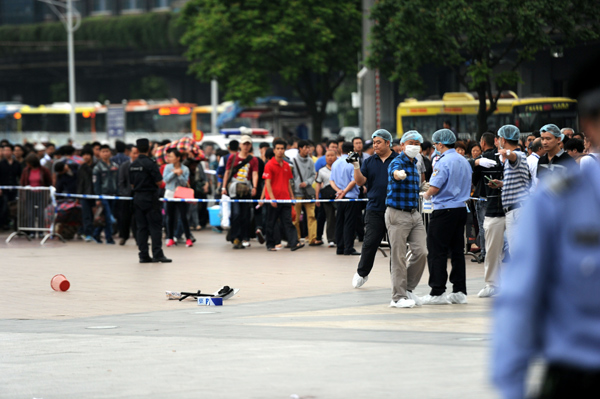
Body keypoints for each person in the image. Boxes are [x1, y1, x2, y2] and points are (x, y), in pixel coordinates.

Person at [493, 63, 600, 399]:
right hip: (580, 376)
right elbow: (521, 298)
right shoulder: (558, 202)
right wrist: (512, 388)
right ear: (588, 126)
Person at [421, 129, 472, 305]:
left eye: (436, 144)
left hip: (443, 210)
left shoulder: (443, 162)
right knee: (457, 251)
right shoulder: (463, 160)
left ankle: (437, 291)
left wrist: (426, 195)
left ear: (441, 144)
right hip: (460, 209)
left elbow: (434, 187)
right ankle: (459, 290)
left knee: (437, 251)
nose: (435, 147)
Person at [385, 131, 428, 308]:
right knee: (399, 257)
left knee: (422, 252)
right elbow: (394, 172)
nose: (414, 146)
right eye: (411, 142)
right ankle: (397, 297)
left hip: (414, 213)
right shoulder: (397, 161)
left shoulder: (416, 162)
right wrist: (397, 175)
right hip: (397, 213)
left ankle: (408, 289)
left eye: (417, 143)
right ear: (402, 145)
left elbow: (418, 186)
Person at [350, 129, 398, 287]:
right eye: (374, 143)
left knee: (396, 246)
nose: (375, 145)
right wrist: (356, 166)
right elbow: (360, 182)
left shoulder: (398, 160)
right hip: (374, 208)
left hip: (395, 209)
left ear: (387, 143)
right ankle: (362, 273)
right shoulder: (370, 161)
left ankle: (397, 278)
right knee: (370, 242)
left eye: (378, 142)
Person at [489, 125, 531, 257]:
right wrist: (501, 183)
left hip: (517, 210)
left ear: (503, 139)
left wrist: (506, 153)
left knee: (517, 252)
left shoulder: (517, 155)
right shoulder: (518, 156)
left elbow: (513, 156)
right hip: (516, 209)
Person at [129, 138, 171, 263]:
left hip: (137, 198)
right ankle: (157, 254)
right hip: (150, 199)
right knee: (155, 227)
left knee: (141, 227)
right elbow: (159, 182)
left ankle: (143, 255)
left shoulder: (133, 165)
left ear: (137, 149)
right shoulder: (151, 164)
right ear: (148, 148)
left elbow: (131, 184)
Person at [262, 138, 304, 251]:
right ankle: (270, 244)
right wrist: (272, 199)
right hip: (273, 200)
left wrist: (292, 197)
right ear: (274, 150)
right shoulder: (269, 165)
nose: (280, 151)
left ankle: (294, 243)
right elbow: (268, 183)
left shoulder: (286, 165)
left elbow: (288, 183)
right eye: (278, 149)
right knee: (271, 222)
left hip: (285, 199)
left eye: (282, 149)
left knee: (288, 222)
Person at [222, 135, 259, 249]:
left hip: (246, 189)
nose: (246, 146)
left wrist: (255, 187)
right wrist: (224, 187)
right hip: (234, 189)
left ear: (250, 145)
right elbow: (227, 172)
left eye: (248, 144)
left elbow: (254, 173)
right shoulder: (232, 158)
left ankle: (244, 237)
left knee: (245, 215)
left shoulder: (253, 159)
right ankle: (235, 237)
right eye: (244, 144)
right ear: (240, 145)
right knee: (236, 213)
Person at [468, 132, 497, 264]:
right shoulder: (499, 157)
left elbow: (474, 179)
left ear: (483, 143)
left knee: (483, 226)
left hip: (483, 197)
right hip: (498, 196)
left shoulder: (481, 160)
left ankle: (485, 254)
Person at [330, 142, 361, 256]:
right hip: (350, 197)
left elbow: (331, 180)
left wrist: (339, 191)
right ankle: (348, 247)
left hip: (339, 198)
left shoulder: (335, 163)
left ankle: (340, 248)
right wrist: (345, 192)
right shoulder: (353, 163)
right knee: (349, 223)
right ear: (351, 150)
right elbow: (354, 180)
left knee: (340, 222)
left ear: (341, 150)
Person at [162, 148, 194, 248]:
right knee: (170, 217)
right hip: (170, 194)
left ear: (178, 158)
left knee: (183, 217)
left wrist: (180, 175)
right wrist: (174, 172)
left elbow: (185, 183)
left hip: (181, 194)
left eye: (171, 156)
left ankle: (188, 238)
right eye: (168, 156)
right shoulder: (167, 167)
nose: (169, 158)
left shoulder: (185, 169)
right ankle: (170, 238)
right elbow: (165, 180)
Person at [291, 140, 318, 245]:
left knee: (311, 216)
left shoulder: (311, 161)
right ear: (300, 148)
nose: (308, 150)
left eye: (309, 148)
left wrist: (306, 182)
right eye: (306, 148)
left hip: (308, 192)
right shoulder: (293, 161)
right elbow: (291, 177)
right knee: (295, 218)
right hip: (297, 193)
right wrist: (296, 185)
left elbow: (313, 175)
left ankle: (312, 239)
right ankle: (296, 238)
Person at [92, 145, 119, 244]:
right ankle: (109, 238)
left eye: (107, 151)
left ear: (110, 153)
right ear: (100, 153)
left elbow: (118, 181)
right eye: (103, 151)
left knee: (105, 216)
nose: (105, 153)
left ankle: (96, 234)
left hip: (113, 194)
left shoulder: (115, 166)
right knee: (108, 217)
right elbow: (96, 184)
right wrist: (98, 197)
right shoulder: (97, 168)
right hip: (103, 195)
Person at [315, 149, 337, 247]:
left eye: (332, 155)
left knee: (340, 217)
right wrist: (317, 198)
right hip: (327, 197)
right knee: (330, 218)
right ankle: (331, 239)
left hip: (339, 196)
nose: (330, 158)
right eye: (328, 156)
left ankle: (340, 237)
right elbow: (318, 185)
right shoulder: (321, 171)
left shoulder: (338, 168)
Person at [117, 146, 138, 246]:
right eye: (133, 153)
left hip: (138, 196)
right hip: (126, 196)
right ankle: (123, 236)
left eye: (137, 153)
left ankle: (138, 238)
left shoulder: (141, 166)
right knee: (125, 217)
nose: (135, 155)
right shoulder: (124, 166)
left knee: (137, 218)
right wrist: (125, 193)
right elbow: (121, 182)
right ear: (130, 153)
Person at [0, 144, 22, 230]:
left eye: (8, 150)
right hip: (3, 190)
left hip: (14, 189)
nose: (6, 152)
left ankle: (14, 224)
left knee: (14, 207)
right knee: (4, 206)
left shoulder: (17, 164)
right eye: (4, 150)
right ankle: (3, 224)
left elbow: (20, 176)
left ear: (12, 152)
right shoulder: (1, 164)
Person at [77, 147, 96, 242]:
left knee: (95, 216)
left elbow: (92, 174)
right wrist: (78, 195)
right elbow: (80, 182)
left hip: (94, 194)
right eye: (84, 155)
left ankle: (93, 233)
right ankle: (88, 233)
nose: (86, 157)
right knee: (86, 215)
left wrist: (85, 165)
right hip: (84, 195)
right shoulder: (81, 167)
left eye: (88, 155)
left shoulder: (95, 166)